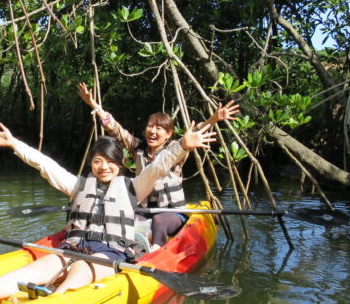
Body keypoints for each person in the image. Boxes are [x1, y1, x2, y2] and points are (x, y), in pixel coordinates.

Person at [0, 121, 216, 304]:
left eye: (110, 161)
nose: (103, 167)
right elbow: (46, 165)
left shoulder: (135, 186)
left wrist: (181, 145)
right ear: (91, 164)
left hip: (110, 254)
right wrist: (14, 144)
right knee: (44, 266)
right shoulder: (78, 185)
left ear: (120, 164)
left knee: (80, 268)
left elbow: (159, 165)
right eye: (98, 161)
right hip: (74, 247)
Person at [77, 82, 239, 249]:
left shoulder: (175, 151)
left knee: (159, 221)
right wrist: (93, 104)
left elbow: (193, 134)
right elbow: (115, 128)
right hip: (143, 210)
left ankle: (155, 251)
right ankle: (124, 247)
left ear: (168, 134)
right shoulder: (137, 148)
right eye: (150, 126)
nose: (152, 131)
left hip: (171, 212)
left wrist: (214, 119)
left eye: (159, 128)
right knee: (122, 217)